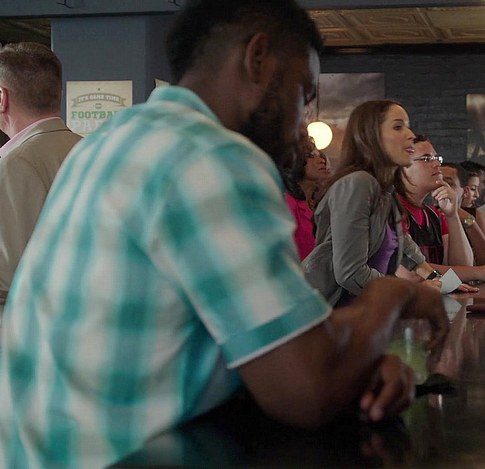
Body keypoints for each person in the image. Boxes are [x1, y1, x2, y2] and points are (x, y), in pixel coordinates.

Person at [0, 2, 448, 467]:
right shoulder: (212, 157)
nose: (302, 123)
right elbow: (306, 391)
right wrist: (391, 297)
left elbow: (255, 337)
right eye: (302, 93)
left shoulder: (110, 141)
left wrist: (354, 364)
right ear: (257, 59)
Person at [302, 100, 446, 306]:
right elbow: (350, 273)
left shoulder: (385, 189)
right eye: (398, 127)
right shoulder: (358, 183)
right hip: (327, 314)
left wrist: (438, 280)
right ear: (370, 136)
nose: (410, 135)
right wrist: (411, 292)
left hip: (364, 313)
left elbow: (401, 242)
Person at [0, 42, 82, 316]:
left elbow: (6, 280)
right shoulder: (89, 150)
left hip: (24, 330)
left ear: (2, 98)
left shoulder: (15, 164)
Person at [394, 135, 485, 284]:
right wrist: (481, 272)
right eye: (427, 158)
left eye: (436, 158)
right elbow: (412, 272)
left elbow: (463, 266)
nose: (437, 164)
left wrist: (452, 215)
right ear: (403, 167)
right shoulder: (393, 211)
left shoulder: (433, 214)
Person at [281, 134, 331, 260]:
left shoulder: (320, 204)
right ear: (296, 162)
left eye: (320, 155)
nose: (321, 160)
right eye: (311, 156)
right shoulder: (288, 203)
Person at [440, 162, 485, 266]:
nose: (441, 188)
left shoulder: (471, 214)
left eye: (448, 183)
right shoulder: (428, 214)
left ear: (465, 191)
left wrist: (468, 219)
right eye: (437, 182)